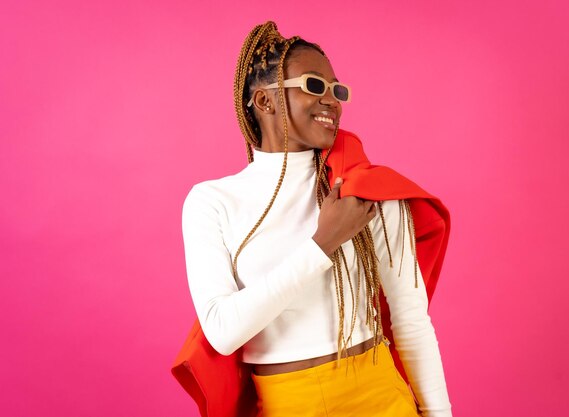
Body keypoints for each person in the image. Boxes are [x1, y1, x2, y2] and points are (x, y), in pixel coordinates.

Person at [181, 21, 453, 417]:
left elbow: (411, 322)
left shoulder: (365, 192)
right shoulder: (212, 202)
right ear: (264, 102)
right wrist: (322, 243)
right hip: (286, 404)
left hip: (381, 399)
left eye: (336, 90)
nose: (332, 101)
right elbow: (221, 332)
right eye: (313, 86)